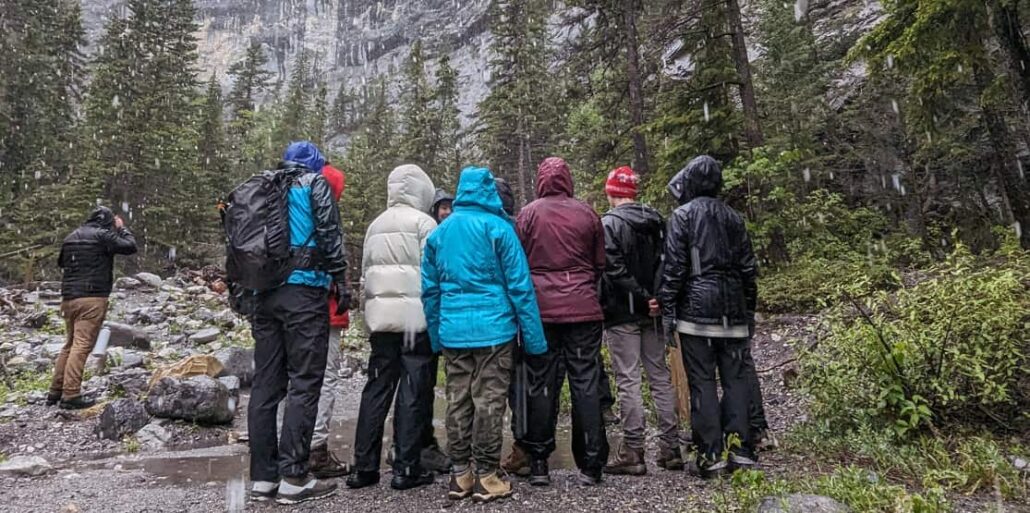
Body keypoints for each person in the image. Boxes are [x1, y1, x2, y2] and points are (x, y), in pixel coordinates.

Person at [421, 166, 546, 503]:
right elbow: (521, 287)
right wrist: (534, 339)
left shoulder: (439, 234)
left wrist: (436, 335)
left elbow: (429, 293)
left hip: (453, 332)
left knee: (458, 400)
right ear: (488, 191)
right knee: (489, 401)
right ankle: (487, 475)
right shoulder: (500, 229)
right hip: (495, 330)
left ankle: (460, 474)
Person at [248, 141, 348, 504]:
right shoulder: (312, 184)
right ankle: (294, 477)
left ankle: (262, 478)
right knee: (305, 383)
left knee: (265, 386)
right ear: (314, 165)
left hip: (265, 295)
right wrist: (341, 279)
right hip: (304, 293)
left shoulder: (264, 186)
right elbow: (329, 236)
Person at [657, 155, 759, 479]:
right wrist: (749, 311)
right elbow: (748, 269)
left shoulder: (682, 216)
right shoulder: (734, 218)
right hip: (732, 309)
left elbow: (674, 269)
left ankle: (711, 456)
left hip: (697, 312)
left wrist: (668, 312)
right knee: (735, 381)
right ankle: (741, 451)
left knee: (701, 383)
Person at [513, 157, 609, 487]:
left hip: (542, 313)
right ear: (568, 179)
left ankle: (539, 461)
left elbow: (519, 263)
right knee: (586, 383)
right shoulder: (587, 213)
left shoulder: (528, 214)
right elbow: (599, 264)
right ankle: (592, 463)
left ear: (541, 180)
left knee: (541, 383)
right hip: (583, 309)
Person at [345, 164, 438, 491]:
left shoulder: (375, 225)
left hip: (381, 320)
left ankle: (363, 466)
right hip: (415, 319)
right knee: (413, 390)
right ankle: (406, 466)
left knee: (376, 388)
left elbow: (366, 274)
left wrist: (367, 315)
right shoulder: (424, 223)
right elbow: (432, 273)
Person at [598, 166, 684, 475]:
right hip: (653, 310)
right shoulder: (656, 221)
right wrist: (657, 296)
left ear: (612, 192)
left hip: (623, 312)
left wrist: (639, 294)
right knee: (659, 376)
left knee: (628, 379)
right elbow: (669, 262)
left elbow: (612, 268)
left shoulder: (608, 223)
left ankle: (633, 450)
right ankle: (671, 447)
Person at [49, 206, 137, 410]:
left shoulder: (72, 236)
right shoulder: (103, 235)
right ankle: (71, 394)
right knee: (81, 346)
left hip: (69, 297)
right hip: (92, 297)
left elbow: (61, 262)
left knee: (69, 344)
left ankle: (55, 390)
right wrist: (121, 229)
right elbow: (130, 246)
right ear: (107, 222)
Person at [307, 162, 352, 479]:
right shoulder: (325, 218)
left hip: (294, 310)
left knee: (295, 377)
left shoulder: (292, 213)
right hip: (325, 309)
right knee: (324, 379)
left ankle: (287, 445)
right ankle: (316, 449)